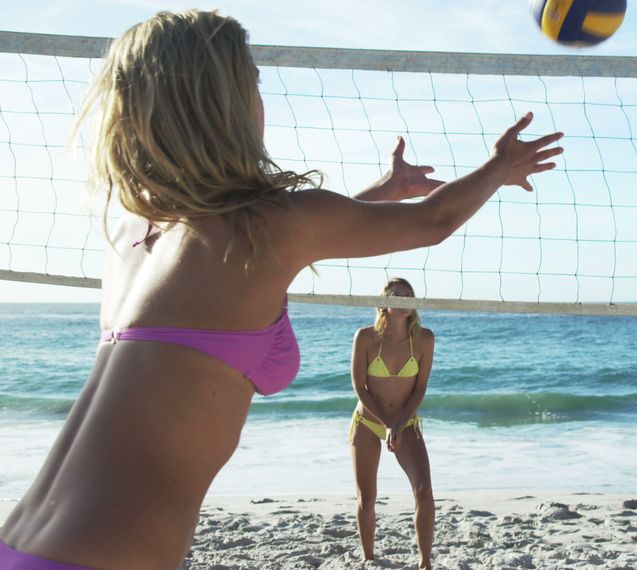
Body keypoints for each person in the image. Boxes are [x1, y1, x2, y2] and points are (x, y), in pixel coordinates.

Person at [0, 10, 562, 570]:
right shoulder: (266, 229)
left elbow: (263, 250)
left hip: (20, 542)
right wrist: (499, 165)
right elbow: (434, 221)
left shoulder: (135, 234)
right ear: (227, 106)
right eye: (254, 84)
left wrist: (379, 194)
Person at [348, 277, 435, 568]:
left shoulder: (424, 339)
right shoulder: (365, 338)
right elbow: (360, 388)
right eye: (396, 294)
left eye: (408, 294)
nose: (403, 298)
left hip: (405, 422)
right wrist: (387, 424)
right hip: (369, 421)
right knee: (367, 498)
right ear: (384, 303)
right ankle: (369, 558)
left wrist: (400, 423)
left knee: (424, 491)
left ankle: (425, 563)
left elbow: (420, 388)